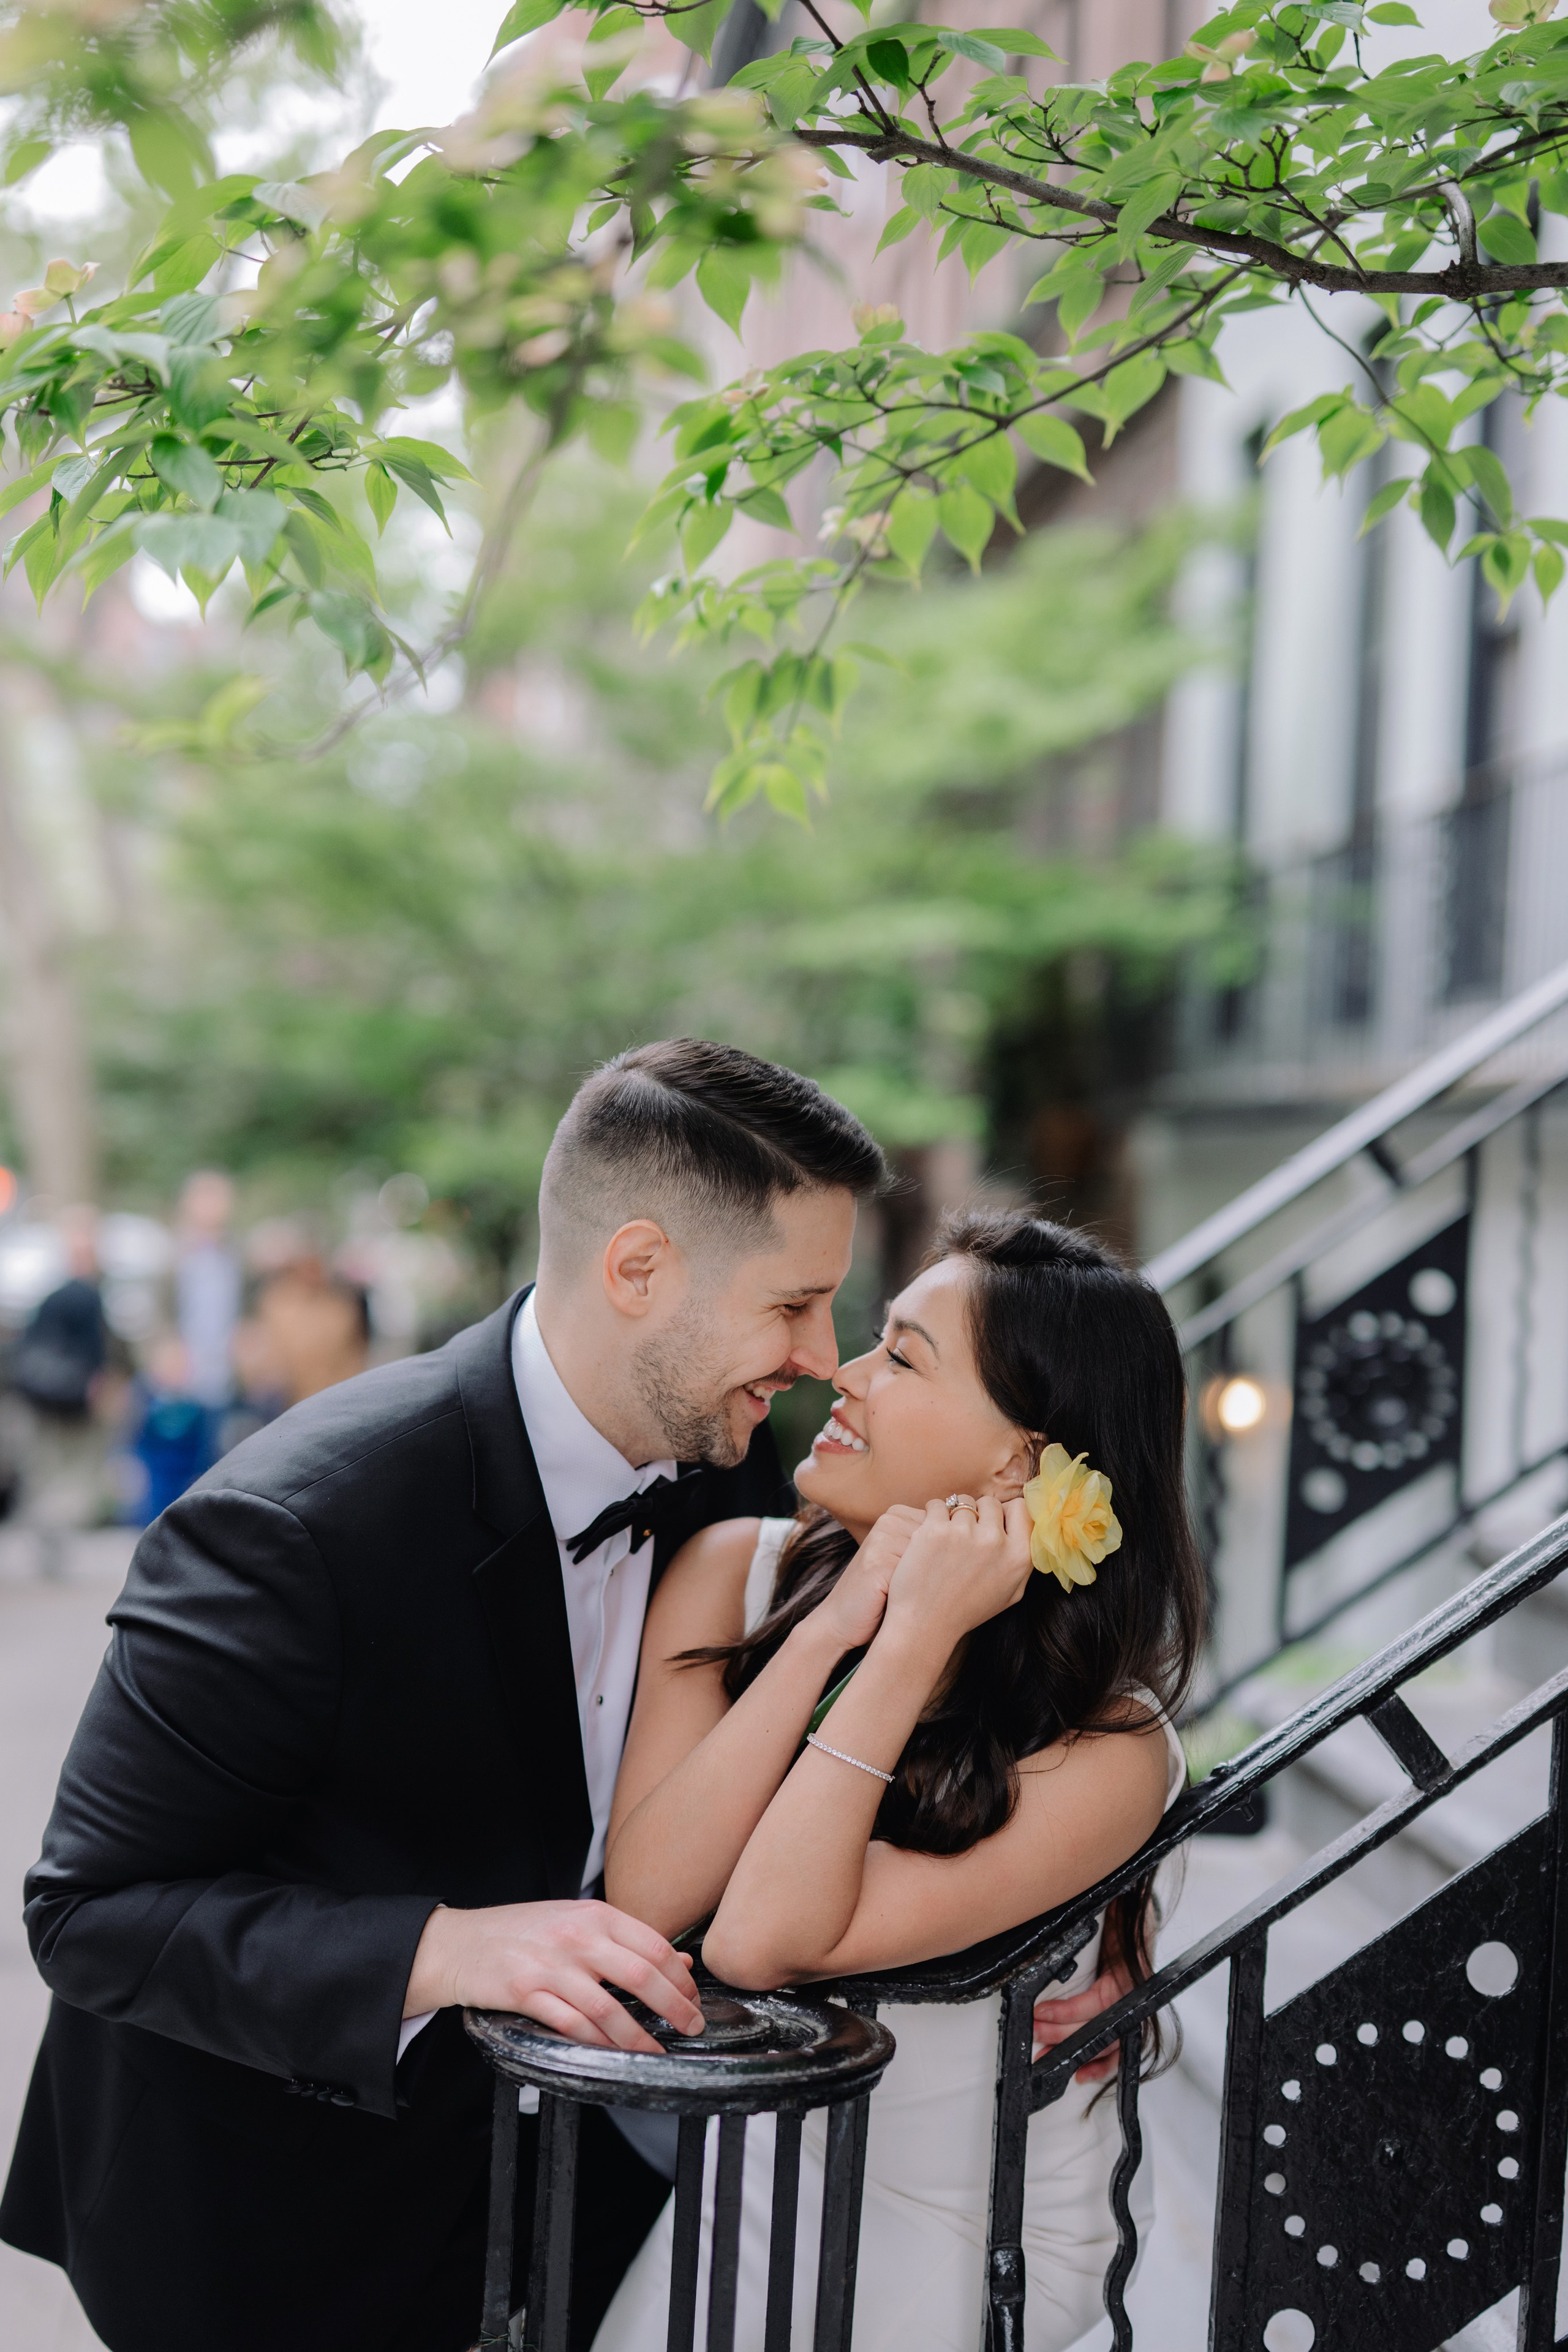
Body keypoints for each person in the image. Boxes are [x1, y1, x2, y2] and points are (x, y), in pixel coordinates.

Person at [0, 1041, 882, 2352]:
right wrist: (445, 1949)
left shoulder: (718, 1465)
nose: (819, 1357)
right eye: (793, 1305)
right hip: (271, 2230)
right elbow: (91, 1915)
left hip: (550, 2198)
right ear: (637, 1270)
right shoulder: (292, 1526)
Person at [595, 1211, 1206, 2352]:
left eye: (904, 1357)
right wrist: (840, 1627)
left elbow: (760, 1940)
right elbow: (649, 1900)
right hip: (764, 2157)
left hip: (969, 2221)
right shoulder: (733, 1568)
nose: (845, 1374)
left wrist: (916, 1636)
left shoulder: (1112, 1749)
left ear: (1020, 1462)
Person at [9, 1207, 110, 1578]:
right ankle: (54, 1531)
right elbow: (98, 1352)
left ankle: (49, 1533)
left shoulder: (50, 1296)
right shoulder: (88, 1295)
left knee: (48, 1471)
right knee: (72, 1473)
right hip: (71, 1401)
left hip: (43, 1397)